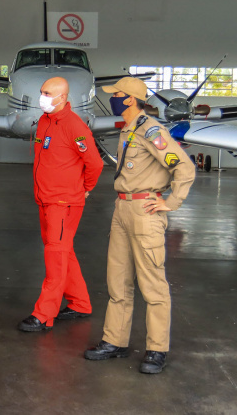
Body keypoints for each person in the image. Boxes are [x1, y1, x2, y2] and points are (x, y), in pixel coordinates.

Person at [84, 76, 195, 374]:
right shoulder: (128, 129)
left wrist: (170, 203)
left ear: (130, 99)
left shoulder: (151, 130)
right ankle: (115, 341)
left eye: (117, 94)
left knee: (152, 284)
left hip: (145, 211)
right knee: (117, 281)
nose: (113, 99)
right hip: (122, 207)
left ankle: (157, 349)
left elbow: (183, 167)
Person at [18, 77, 103, 332]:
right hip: (46, 199)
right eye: (41, 91)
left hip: (64, 202)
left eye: (47, 93)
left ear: (63, 98)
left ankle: (44, 313)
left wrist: (85, 188)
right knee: (63, 251)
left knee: (55, 255)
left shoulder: (74, 126)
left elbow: (95, 163)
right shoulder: (44, 121)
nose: (41, 96)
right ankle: (79, 303)